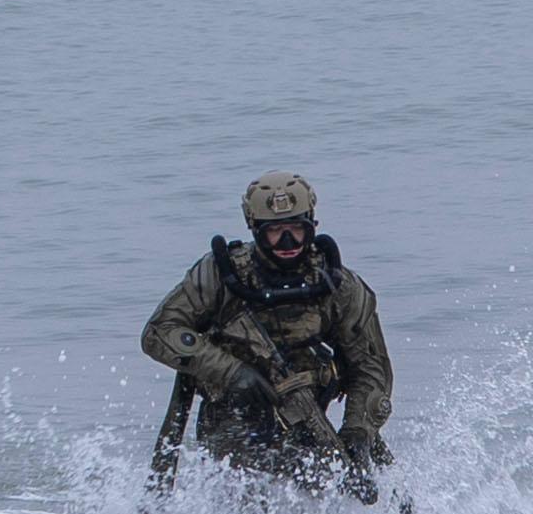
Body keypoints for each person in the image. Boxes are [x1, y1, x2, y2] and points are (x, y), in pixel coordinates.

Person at [140, 172, 395, 497]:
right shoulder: (220, 276)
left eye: (296, 230)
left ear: (312, 225)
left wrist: (358, 431)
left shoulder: (338, 285)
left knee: (326, 509)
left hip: (308, 419)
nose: (287, 242)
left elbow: (370, 367)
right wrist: (234, 373)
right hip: (233, 420)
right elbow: (160, 332)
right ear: (254, 228)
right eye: (275, 231)